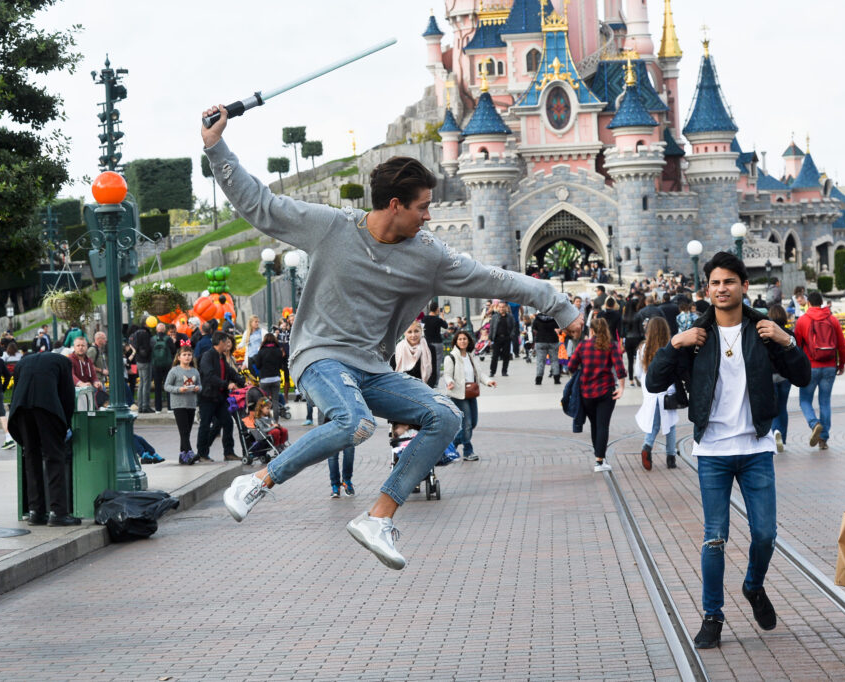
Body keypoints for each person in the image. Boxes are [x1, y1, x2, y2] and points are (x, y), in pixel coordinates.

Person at [203, 104, 581, 570]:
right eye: (423, 207)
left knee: (444, 418)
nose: (429, 217)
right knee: (354, 424)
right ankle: (257, 481)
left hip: (371, 367)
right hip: (321, 356)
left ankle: (378, 517)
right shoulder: (331, 228)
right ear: (396, 205)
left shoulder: (429, 256)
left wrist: (558, 304)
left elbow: (495, 280)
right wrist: (216, 147)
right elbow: (261, 205)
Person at [646, 251, 811, 650]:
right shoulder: (696, 337)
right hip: (713, 452)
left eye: (729, 282)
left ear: (743, 286)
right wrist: (673, 343)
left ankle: (753, 587)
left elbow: (803, 376)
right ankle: (712, 616)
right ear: (708, 289)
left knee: (766, 534)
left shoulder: (765, 331)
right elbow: (653, 383)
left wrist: (787, 341)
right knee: (714, 537)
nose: (722, 289)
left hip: (756, 447)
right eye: (715, 283)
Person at [7, 349, 77, 526]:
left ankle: (35, 512)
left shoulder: (23, 362)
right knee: (54, 457)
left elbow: (16, 392)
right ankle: (58, 512)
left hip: (21, 410)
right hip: (47, 408)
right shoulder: (64, 362)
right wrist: (66, 424)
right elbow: (68, 397)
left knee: (31, 458)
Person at [568, 317, 626, 473]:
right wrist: (621, 387)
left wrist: (583, 370)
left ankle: (599, 457)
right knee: (603, 425)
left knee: (595, 424)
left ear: (591, 330)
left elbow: (571, 366)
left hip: (587, 392)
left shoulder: (583, 346)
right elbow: (620, 368)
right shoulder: (611, 346)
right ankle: (599, 460)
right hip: (606, 390)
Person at [794, 290, 845, 450]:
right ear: (822, 302)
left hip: (810, 367)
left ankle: (814, 423)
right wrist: (842, 363)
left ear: (808, 303)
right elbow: (842, 344)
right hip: (830, 366)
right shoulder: (832, 319)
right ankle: (823, 439)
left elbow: (796, 346)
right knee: (825, 402)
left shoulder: (803, 320)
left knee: (804, 400)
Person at [444, 329, 494, 462]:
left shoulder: (472, 356)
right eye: (460, 339)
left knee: (473, 423)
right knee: (467, 424)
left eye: (464, 339)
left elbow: (479, 373)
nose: (462, 341)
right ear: (456, 342)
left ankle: (453, 443)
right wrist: (450, 382)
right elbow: (447, 374)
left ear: (468, 341)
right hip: (458, 394)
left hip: (471, 392)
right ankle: (468, 450)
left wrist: (488, 381)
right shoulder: (451, 357)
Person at [635, 317, 679, 470]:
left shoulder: (643, 348)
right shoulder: (670, 348)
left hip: (650, 391)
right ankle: (670, 457)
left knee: (653, 424)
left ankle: (647, 447)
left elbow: (638, 372)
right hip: (668, 391)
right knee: (671, 424)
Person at [197, 331, 244, 462]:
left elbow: (230, 372)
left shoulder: (221, 357)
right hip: (208, 397)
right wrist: (226, 384)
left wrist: (243, 381)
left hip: (220, 397)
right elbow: (209, 375)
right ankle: (202, 454)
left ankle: (228, 452)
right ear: (221, 342)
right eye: (226, 342)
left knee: (228, 423)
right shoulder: (208, 356)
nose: (228, 344)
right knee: (205, 425)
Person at [165, 345, 202, 464]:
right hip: (178, 404)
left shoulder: (194, 371)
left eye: (189, 355)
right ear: (179, 357)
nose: (187, 357)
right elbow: (167, 386)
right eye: (184, 355)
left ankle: (183, 456)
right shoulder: (174, 371)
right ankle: (190, 452)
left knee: (187, 431)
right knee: (184, 431)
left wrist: (197, 388)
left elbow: (200, 385)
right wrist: (179, 389)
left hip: (191, 404)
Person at [767, 305, 795, 454]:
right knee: (783, 407)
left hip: (770, 376)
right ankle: (782, 438)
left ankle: (775, 433)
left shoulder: (767, 334)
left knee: (773, 407)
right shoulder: (789, 334)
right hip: (785, 376)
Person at [252, 332, 285, 421]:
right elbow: (280, 365)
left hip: (264, 379)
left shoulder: (261, 351)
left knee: (264, 401)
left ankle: (265, 419)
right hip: (276, 378)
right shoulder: (278, 351)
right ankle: (276, 421)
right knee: (275, 400)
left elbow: (258, 365)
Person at [150, 322, 176, 413]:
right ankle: (170, 408)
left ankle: (158, 408)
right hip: (167, 365)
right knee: (168, 385)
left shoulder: (152, 339)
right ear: (164, 330)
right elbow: (173, 350)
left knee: (157, 386)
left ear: (157, 330)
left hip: (156, 365)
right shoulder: (168, 339)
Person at [531, 311, 561, 385]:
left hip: (540, 340)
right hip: (553, 340)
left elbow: (534, 328)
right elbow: (558, 327)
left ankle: (539, 379)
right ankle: (556, 379)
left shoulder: (537, 318)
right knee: (554, 360)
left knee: (540, 361)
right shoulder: (553, 318)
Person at [69, 336, 103, 400]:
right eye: (78, 345)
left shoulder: (89, 360)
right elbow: (71, 375)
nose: (80, 347)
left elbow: (93, 376)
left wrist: (96, 382)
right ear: (74, 347)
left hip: (87, 393)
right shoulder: (70, 359)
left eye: (83, 345)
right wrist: (81, 384)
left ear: (87, 347)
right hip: (74, 394)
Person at [131, 323, 154, 413]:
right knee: (146, 384)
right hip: (145, 360)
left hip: (138, 360)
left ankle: (140, 405)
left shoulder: (136, 333)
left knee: (141, 384)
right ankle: (145, 406)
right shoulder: (145, 334)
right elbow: (147, 347)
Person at [488, 302, 516, 378]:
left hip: (507, 338)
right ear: (498, 307)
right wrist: (490, 338)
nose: (501, 309)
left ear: (506, 308)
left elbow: (514, 327)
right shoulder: (495, 317)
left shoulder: (510, 317)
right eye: (500, 307)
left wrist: (511, 336)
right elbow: (491, 328)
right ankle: (492, 372)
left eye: (503, 307)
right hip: (497, 338)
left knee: (506, 356)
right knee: (495, 356)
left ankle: (504, 371)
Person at [421, 301, 446, 381]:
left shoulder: (424, 319)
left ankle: (427, 379)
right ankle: (435, 381)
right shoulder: (438, 320)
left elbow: (421, 329)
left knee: (427, 362)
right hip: (437, 343)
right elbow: (445, 326)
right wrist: (442, 317)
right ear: (437, 309)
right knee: (437, 363)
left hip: (427, 343)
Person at [623, 297, 645, 387]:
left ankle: (631, 379)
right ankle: (638, 375)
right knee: (639, 360)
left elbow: (623, 331)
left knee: (630, 360)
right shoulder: (638, 315)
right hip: (637, 339)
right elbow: (641, 330)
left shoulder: (624, 317)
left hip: (628, 339)